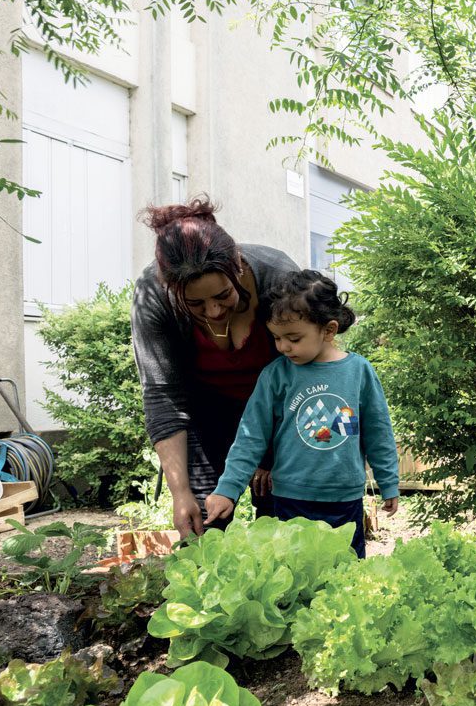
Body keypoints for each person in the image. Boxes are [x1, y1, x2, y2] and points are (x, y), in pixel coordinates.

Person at [132, 198, 298, 537]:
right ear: (171, 289)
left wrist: (275, 454)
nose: (213, 311)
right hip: (204, 416)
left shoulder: (278, 276)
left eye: (223, 296)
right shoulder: (153, 294)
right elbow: (163, 397)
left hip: (279, 412)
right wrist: (180, 494)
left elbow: (310, 370)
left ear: (237, 264)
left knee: (283, 522)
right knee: (205, 525)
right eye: (195, 303)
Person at [204, 270, 399, 557]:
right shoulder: (275, 376)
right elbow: (249, 437)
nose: (283, 347)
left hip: (344, 501)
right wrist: (227, 489)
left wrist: (389, 481)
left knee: (345, 577)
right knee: (294, 579)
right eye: (277, 338)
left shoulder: (358, 371)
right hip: (290, 500)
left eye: (293, 338)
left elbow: (378, 431)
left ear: (328, 330)